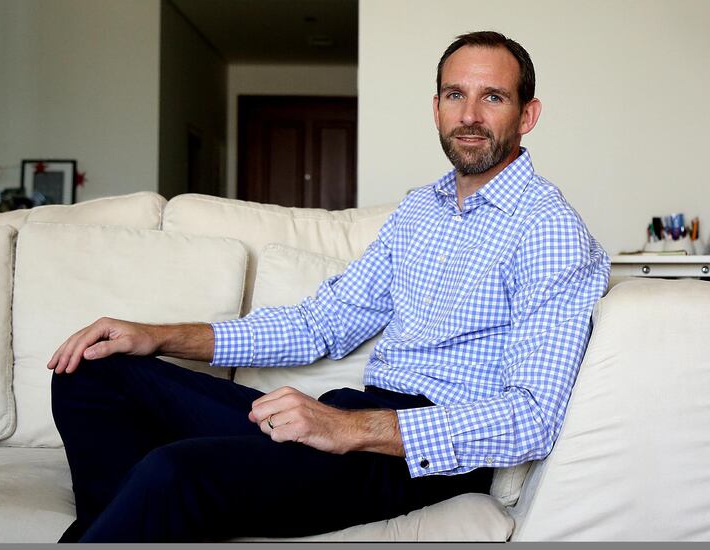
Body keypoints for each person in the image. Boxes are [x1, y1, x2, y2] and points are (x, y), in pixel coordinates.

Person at [48, 31, 610, 542]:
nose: (469, 114)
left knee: (172, 472)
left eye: (493, 97)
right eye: (454, 94)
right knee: (91, 369)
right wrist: (155, 336)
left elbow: (530, 418)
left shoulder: (549, 230)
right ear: (435, 107)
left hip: (411, 457)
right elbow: (321, 323)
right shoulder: (421, 211)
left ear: (527, 114)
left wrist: (352, 429)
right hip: (345, 417)